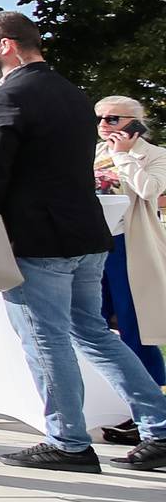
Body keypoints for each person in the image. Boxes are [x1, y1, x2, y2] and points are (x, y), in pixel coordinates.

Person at [0, 11, 166, 472]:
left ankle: (68, 441)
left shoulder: (4, 98)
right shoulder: (76, 96)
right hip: (86, 234)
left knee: (46, 341)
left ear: (6, 47)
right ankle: (159, 427)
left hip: (36, 241)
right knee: (95, 335)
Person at [94, 96, 166, 440]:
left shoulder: (155, 155)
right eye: (100, 119)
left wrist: (123, 155)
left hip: (131, 247)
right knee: (95, 327)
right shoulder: (94, 152)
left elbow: (151, 190)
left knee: (135, 326)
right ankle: (121, 406)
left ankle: (152, 412)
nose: (105, 125)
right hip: (94, 245)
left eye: (113, 119)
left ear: (134, 123)